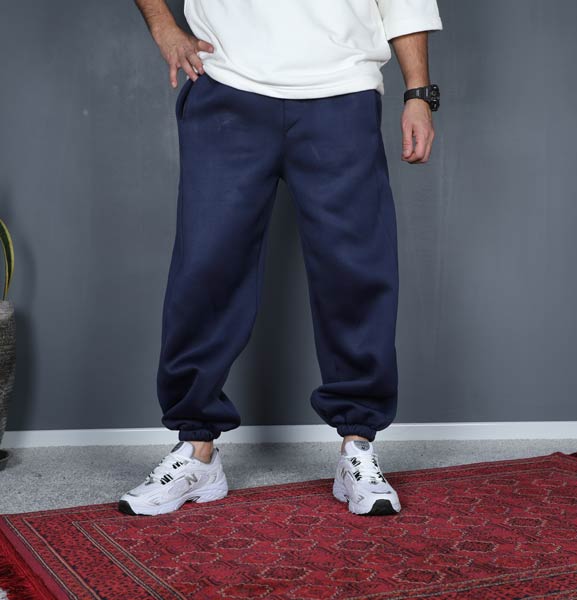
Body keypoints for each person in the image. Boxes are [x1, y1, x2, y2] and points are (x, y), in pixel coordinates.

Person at [120, 0, 442, 517]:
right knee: (205, 269)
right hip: (228, 83)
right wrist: (163, 25)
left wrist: (418, 94)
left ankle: (358, 446)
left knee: (356, 271)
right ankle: (196, 450)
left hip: (342, 90)